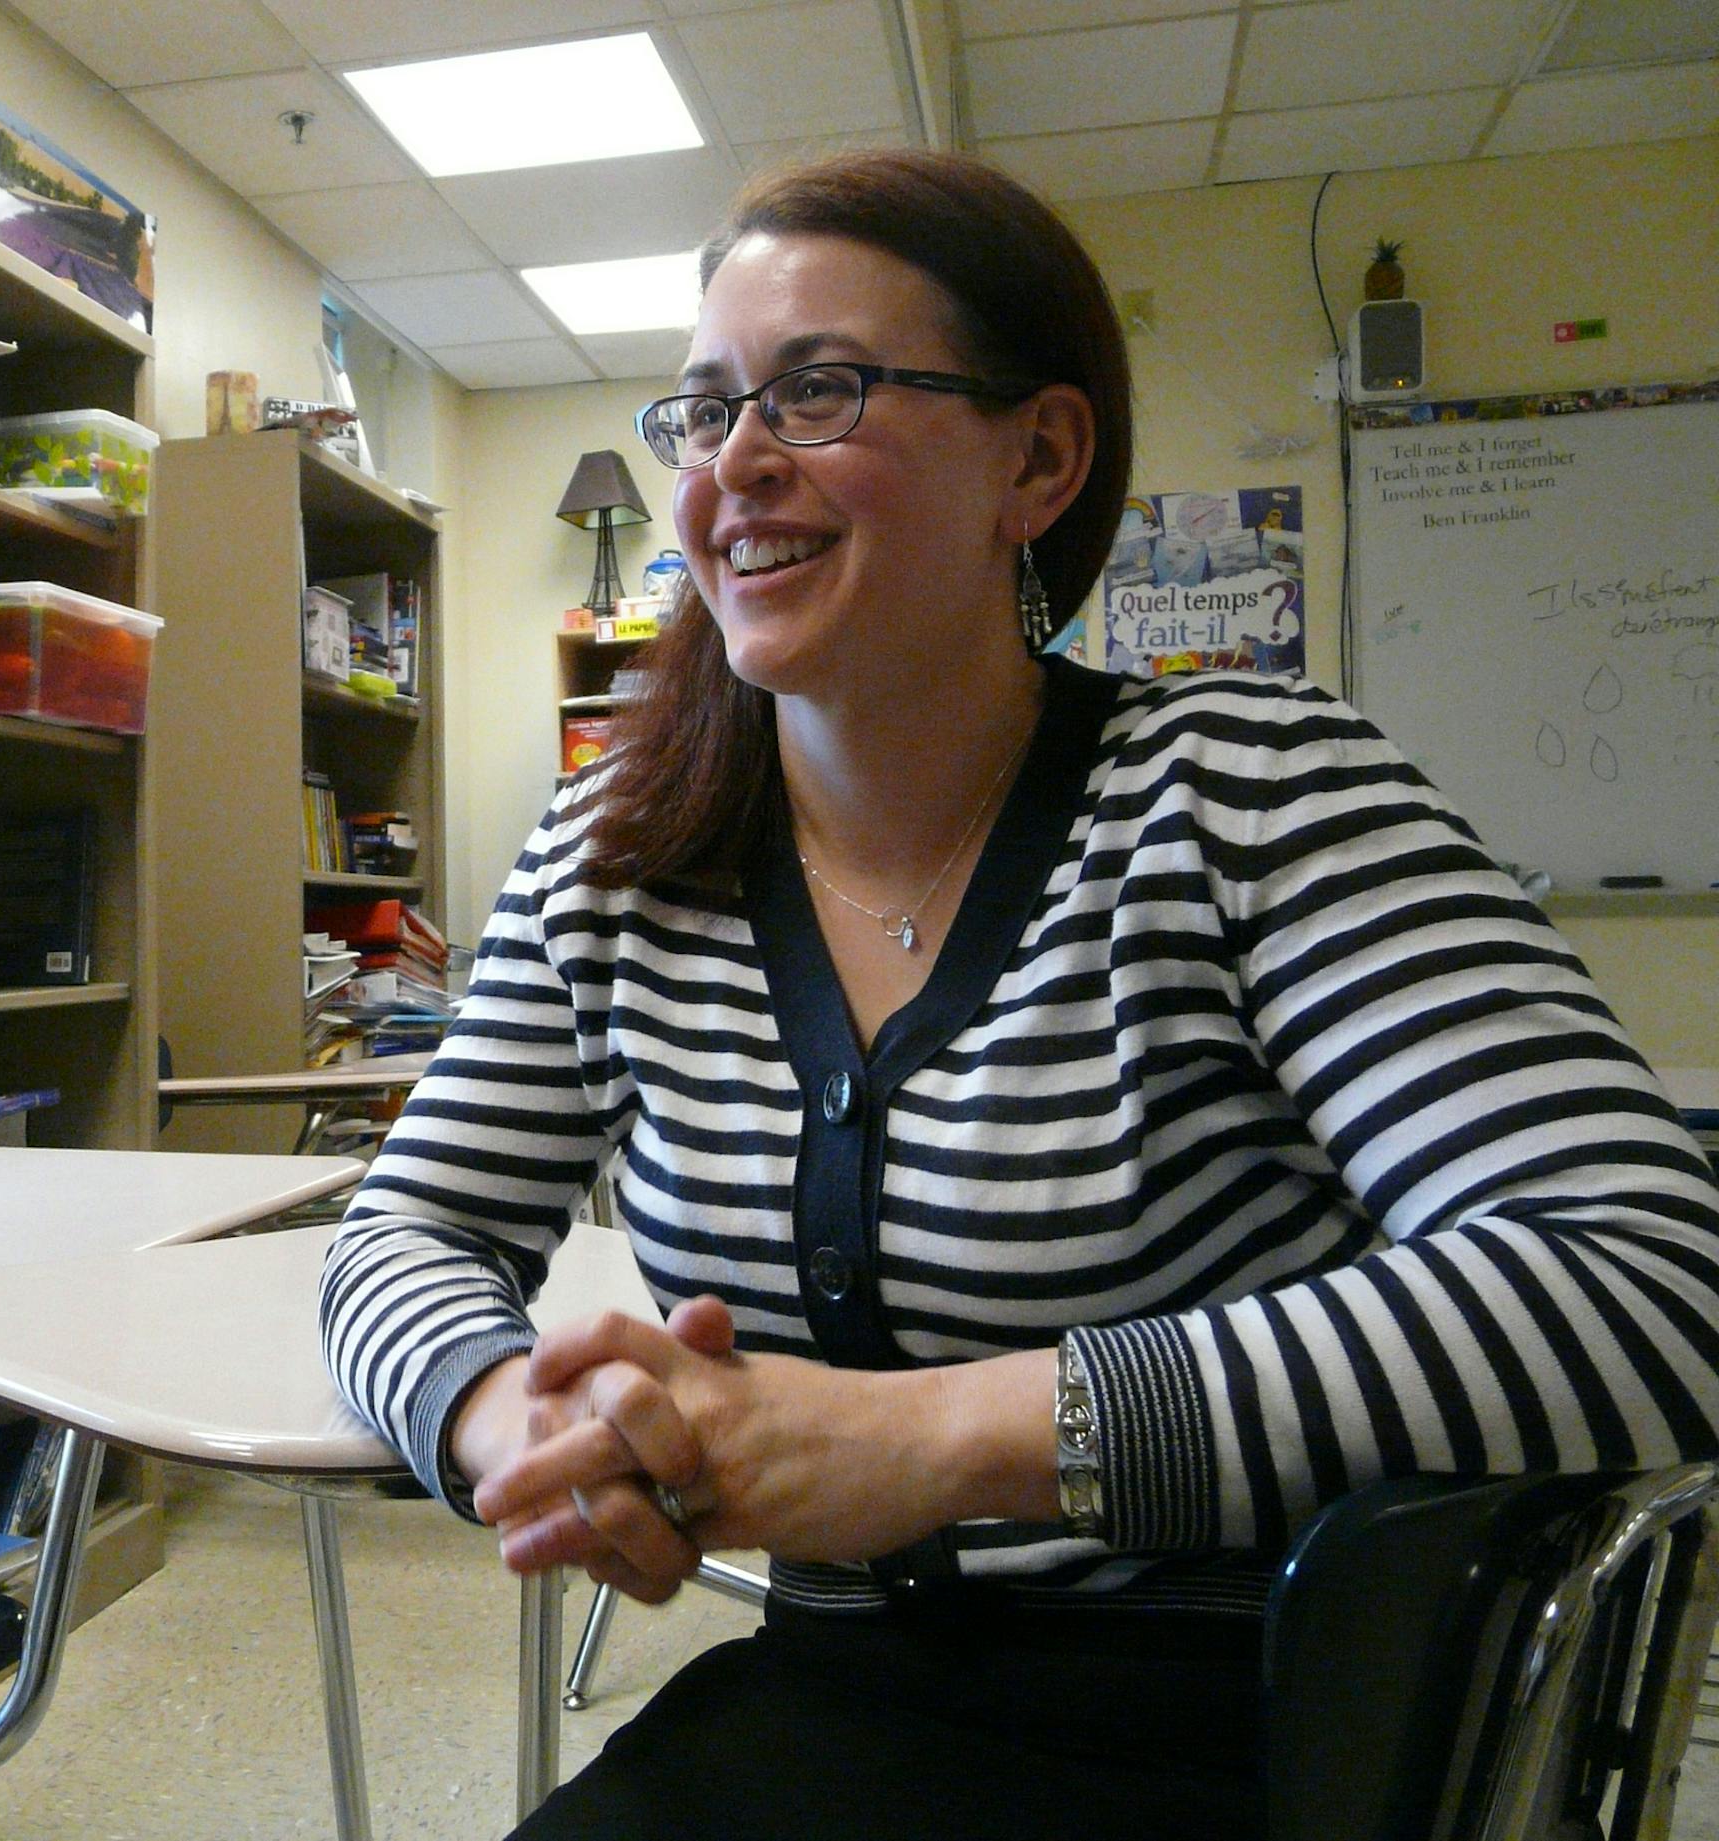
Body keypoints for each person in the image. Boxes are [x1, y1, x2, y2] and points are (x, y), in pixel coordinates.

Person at [320, 148, 1719, 1839]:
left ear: (1037, 458)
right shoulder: (612, 860)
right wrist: (504, 1417)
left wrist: (941, 1439)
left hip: (1262, 1709)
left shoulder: (1252, 792)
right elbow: (400, 1235)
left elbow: (1650, 1284)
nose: (734, 464)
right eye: (703, 411)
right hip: (848, 1688)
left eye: (817, 390)